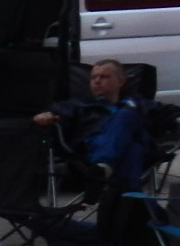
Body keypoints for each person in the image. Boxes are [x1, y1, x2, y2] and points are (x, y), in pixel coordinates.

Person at [33, 59, 149, 195]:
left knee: (126, 116)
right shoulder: (78, 105)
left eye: (104, 77)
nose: (97, 81)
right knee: (133, 149)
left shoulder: (137, 103)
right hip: (90, 151)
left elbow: (167, 113)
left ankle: (102, 169)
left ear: (120, 81)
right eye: (93, 77)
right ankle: (130, 201)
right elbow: (52, 113)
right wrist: (45, 116)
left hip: (121, 157)